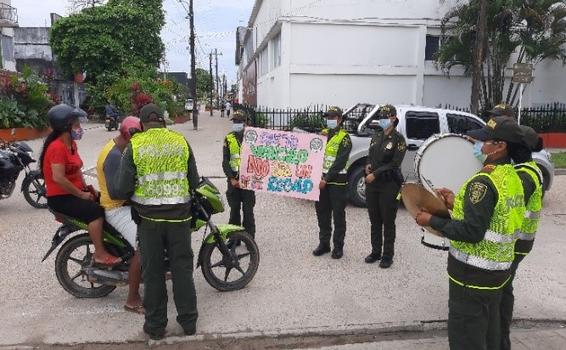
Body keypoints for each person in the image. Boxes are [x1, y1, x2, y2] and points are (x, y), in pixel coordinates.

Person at [415, 115, 526, 350]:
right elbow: (494, 218)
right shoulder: (512, 177)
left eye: (485, 141)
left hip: (471, 277)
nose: (479, 145)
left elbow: (472, 231)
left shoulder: (482, 182)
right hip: (496, 275)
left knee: (466, 337)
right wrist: (456, 202)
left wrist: (432, 220)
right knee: (489, 335)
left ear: (500, 146)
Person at [116, 103, 199, 340]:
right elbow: (193, 181)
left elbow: (122, 188)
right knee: (182, 269)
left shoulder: (135, 145)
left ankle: (155, 327)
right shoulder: (181, 142)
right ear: (163, 121)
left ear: (141, 124)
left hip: (149, 220)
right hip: (180, 219)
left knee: (153, 273)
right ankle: (189, 323)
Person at [40, 104, 120, 266]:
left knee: (106, 202)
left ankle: (116, 246)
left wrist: (88, 189)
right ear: (65, 127)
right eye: (76, 125)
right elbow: (59, 178)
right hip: (60, 198)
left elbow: (76, 171)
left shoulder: (71, 144)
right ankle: (99, 253)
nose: (80, 128)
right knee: (95, 212)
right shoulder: (57, 147)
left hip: (72, 193)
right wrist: (81, 194)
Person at [500, 125, 544, 350]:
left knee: (503, 291)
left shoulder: (524, 176)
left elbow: (503, 210)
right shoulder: (522, 169)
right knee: (504, 289)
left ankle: (501, 340)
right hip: (517, 241)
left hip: (516, 243)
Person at [96, 116, 144, 315]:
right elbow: (118, 192)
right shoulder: (115, 156)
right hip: (116, 207)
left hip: (121, 204)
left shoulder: (118, 147)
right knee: (144, 246)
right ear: (129, 137)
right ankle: (132, 299)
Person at [364, 104, 407, 268]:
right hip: (373, 185)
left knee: (388, 221)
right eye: (380, 117)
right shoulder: (376, 136)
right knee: (374, 220)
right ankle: (376, 252)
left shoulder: (398, 139)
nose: (382, 120)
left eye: (385, 117)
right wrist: (367, 166)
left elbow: (395, 163)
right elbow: (370, 156)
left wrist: (375, 174)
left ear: (393, 118)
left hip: (389, 185)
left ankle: (387, 255)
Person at [313, 106, 352, 259]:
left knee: (338, 216)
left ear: (340, 119)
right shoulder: (322, 136)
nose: (330, 120)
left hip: (337, 183)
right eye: (328, 117)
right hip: (321, 182)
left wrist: (326, 179)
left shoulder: (345, 138)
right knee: (322, 214)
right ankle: (324, 244)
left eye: (333, 117)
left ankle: (338, 247)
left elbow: (340, 162)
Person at [222, 110, 256, 240]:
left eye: (238, 121)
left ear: (245, 122)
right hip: (234, 183)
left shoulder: (253, 138)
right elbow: (225, 161)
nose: (236, 124)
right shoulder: (229, 138)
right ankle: (234, 239)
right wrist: (231, 178)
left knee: (248, 212)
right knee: (234, 211)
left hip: (248, 182)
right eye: (234, 121)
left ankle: (249, 239)